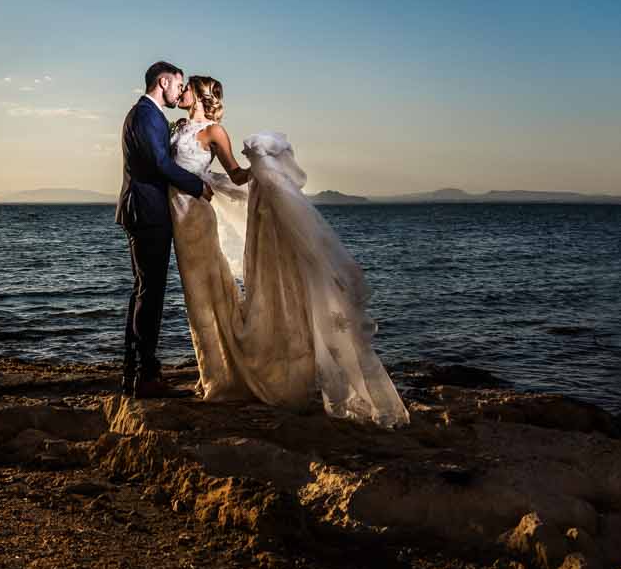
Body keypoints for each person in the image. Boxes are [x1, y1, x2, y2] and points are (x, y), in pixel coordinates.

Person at [166, 74, 409, 427]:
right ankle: (215, 374)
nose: (182, 92)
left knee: (207, 294)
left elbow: (234, 175)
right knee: (195, 298)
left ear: (201, 94)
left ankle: (224, 378)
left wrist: (264, 168)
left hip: (196, 218)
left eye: (187, 87)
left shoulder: (216, 133)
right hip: (177, 216)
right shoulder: (177, 126)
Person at [114, 60, 211, 398]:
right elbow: (160, 163)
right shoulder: (145, 114)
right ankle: (145, 376)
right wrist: (197, 186)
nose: (180, 91)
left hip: (148, 212)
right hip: (147, 213)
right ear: (163, 81)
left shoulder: (149, 115)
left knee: (144, 291)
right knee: (149, 294)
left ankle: (135, 373)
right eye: (178, 84)